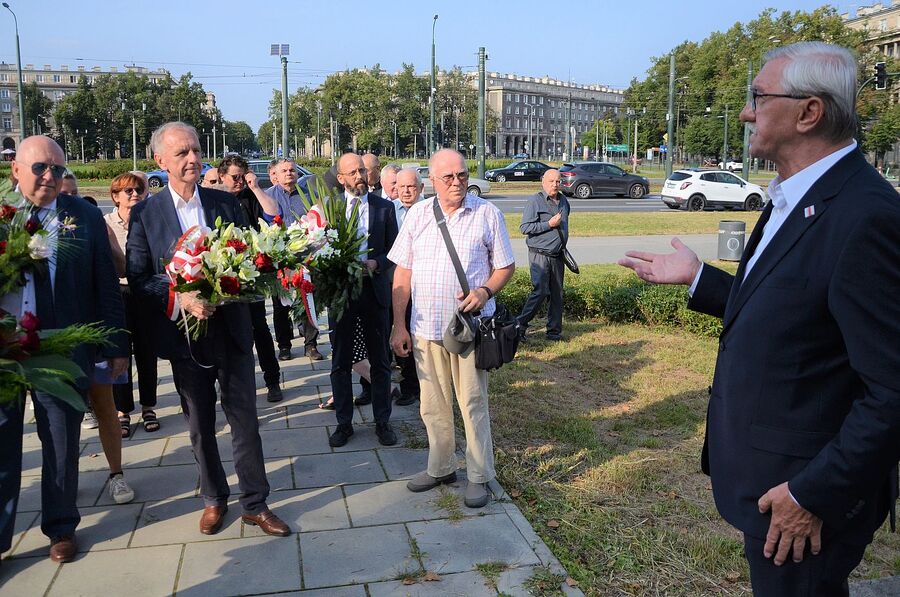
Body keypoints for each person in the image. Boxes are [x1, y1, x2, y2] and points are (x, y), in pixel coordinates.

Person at [619, 42, 900, 596]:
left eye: (757, 97)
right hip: (775, 482)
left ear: (808, 112)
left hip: (802, 499)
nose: (746, 112)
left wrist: (811, 494)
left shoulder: (865, 216)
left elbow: (893, 390)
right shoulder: (793, 194)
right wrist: (701, 279)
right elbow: (797, 310)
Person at [126, 122, 290, 538]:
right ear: (160, 161)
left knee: (245, 421)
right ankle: (214, 498)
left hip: (231, 329)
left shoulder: (224, 203)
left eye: (196, 150)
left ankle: (255, 502)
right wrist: (181, 295)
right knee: (200, 425)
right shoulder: (147, 212)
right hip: (184, 337)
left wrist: (236, 280)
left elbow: (252, 258)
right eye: (181, 153)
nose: (192, 159)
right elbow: (139, 275)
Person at [0, 135, 128, 563]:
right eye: (40, 168)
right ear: (16, 169)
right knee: (2, 447)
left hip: (60, 346)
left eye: (57, 168)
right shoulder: (2, 214)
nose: (50, 176)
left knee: (60, 440)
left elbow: (105, 284)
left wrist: (115, 343)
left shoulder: (84, 216)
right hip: (4, 350)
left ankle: (60, 527)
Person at [388, 149, 515, 508]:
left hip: (469, 330)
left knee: (472, 402)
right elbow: (403, 273)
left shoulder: (487, 213)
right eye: (449, 177)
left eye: (462, 174)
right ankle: (441, 467)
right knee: (432, 405)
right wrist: (400, 326)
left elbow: (505, 266)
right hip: (426, 329)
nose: (457, 182)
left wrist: (485, 290)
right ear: (432, 181)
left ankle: (479, 475)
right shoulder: (417, 215)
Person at [327, 152, 399, 448]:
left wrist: (377, 263)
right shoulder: (329, 208)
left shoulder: (384, 208)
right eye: (352, 172)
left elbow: (395, 250)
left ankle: (382, 421)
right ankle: (344, 424)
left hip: (374, 294)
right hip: (342, 296)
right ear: (341, 178)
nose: (359, 176)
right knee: (341, 361)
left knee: (380, 361)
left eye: (362, 171)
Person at [217, 154, 284, 402]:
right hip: (224, 275)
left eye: (242, 177)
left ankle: (272, 380)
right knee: (227, 334)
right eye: (235, 177)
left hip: (251, 273)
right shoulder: (216, 200)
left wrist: (255, 187)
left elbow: (273, 215)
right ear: (222, 176)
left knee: (259, 329)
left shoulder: (249, 196)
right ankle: (233, 387)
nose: (239, 182)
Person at [106, 173, 160, 437]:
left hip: (146, 293)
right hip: (118, 294)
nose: (134, 194)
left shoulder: (149, 220)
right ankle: (123, 410)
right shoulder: (104, 223)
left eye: (139, 189)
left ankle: (149, 406)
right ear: (115, 196)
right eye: (127, 191)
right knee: (120, 353)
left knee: (147, 353)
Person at [264, 158, 323, 362]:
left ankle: (311, 344)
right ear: (276, 175)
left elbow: (318, 222)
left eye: (292, 170)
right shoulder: (268, 196)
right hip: (279, 259)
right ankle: (284, 345)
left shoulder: (308, 196)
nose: (289, 173)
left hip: (304, 258)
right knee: (280, 305)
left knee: (306, 301)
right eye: (284, 171)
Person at [516, 169, 570, 342]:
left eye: (558, 181)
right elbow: (525, 227)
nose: (555, 184)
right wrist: (548, 224)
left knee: (557, 294)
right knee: (540, 292)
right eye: (551, 181)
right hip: (539, 255)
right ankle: (519, 326)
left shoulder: (563, 201)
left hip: (557, 255)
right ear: (543, 181)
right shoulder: (535, 201)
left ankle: (553, 332)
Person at [390, 168, 424, 406]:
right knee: (398, 334)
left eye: (411, 186)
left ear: (421, 188)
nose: (406, 191)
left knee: (417, 336)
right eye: (401, 187)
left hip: (421, 286)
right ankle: (405, 382)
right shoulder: (388, 210)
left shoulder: (430, 211)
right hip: (396, 285)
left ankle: (415, 387)